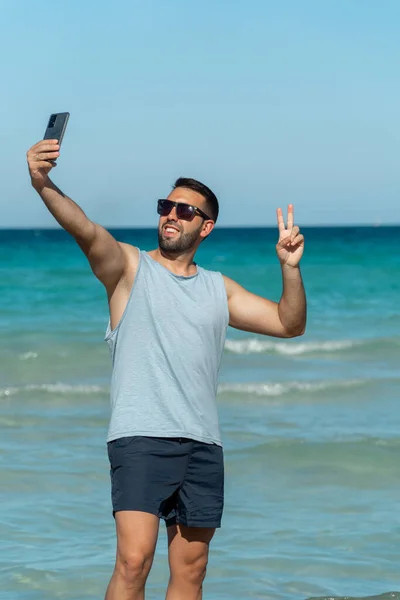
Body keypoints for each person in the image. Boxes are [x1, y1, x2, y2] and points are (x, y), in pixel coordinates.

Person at [26, 138, 307, 600]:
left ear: (206, 227)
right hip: (140, 436)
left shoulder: (220, 289)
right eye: (166, 206)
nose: (171, 215)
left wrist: (290, 269)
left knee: (191, 573)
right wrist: (43, 184)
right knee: (133, 562)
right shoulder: (128, 268)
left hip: (202, 443)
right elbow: (87, 230)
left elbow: (288, 323)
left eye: (185, 211)